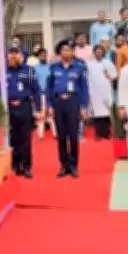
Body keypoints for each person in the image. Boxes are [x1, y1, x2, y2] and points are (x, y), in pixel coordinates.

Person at [47, 39, 89, 178]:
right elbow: (49, 88)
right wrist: (49, 105)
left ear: (72, 52)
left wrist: (84, 107)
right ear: (60, 52)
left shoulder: (79, 67)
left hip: (73, 102)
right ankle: (64, 165)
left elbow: (84, 89)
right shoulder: (53, 67)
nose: (66, 52)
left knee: (73, 135)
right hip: (58, 102)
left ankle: (73, 165)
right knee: (61, 136)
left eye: (69, 50)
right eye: (64, 50)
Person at [6, 46, 42, 177]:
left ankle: (26, 166)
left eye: (16, 53)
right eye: (11, 53)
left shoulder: (29, 71)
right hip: (9, 109)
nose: (13, 56)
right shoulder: (3, 71)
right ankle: (15, 166)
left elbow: (36, 90)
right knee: (13, 139)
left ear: (21, 56)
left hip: (24, 107)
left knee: (26, 139)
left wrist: (37, 109)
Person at [86, 45, 117, 140]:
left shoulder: (108, 63)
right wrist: (89, 92)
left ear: (103, 52)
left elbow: (114, 76)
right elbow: (88, 79)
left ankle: (107, 133)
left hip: (106, 91)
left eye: (100, 51)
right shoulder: (89, 64)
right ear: (94, 53)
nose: (99, 53)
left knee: (106, 113)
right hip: (94, 92)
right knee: (97, 114)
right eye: (97, 51)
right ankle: (98, 133)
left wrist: (110, 76)